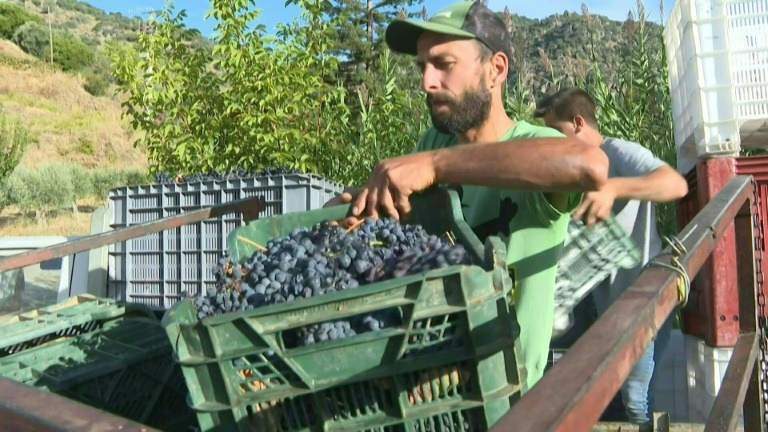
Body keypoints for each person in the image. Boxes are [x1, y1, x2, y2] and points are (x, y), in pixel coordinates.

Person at [326, 1, 610, 393]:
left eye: (444, 64)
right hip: (431, 381)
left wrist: (437, 165)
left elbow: (590, 166)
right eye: (422, 67)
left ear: (496, 69)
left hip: (503, 395)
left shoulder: (534, 143)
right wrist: (358, 211)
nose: (427, 81)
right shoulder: (435, 141)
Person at [533, 86, 689, 425]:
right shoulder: (571, 170)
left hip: (641, 300)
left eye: (556, 132)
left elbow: (674, 184)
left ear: (578, 123)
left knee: (635, 398)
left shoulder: (618, 152)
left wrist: (614, 187)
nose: (553, 142)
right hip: (604, 310)